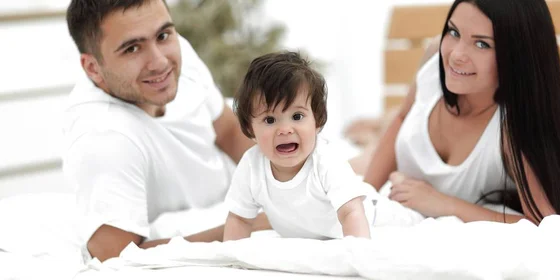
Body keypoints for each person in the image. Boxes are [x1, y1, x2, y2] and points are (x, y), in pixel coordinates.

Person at [63, 0, 269, 262]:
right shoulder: (103, 137)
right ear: (93, 68)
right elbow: (115, 256)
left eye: (163, 35)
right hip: (217, 227)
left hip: (235, 198)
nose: (160, 62)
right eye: (132, 48)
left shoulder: (174, 51)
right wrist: (248, 226)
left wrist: (288, 185)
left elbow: (228, 131)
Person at [364, 0, 560, 224]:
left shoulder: (511, 132)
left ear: (517, 56)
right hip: (386, 158)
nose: (456, 55)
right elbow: (403, 117)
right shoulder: (435, 57)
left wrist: (444, 203)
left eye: (482, 44)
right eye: (453, 32)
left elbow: (544, 222)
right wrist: (363, 191)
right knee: (361, 149)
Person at [222, 51, 374, 241]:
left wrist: (358, 252)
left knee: (407, 215)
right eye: (270, 120)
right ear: (250, 129)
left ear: (317, 121)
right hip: (305, 233)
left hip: (371, 216)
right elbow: (240, 219)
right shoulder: (252, 164)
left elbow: (351, 212)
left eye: (297, 116)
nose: (285, 130)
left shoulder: (326, 160)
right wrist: (233, 257)